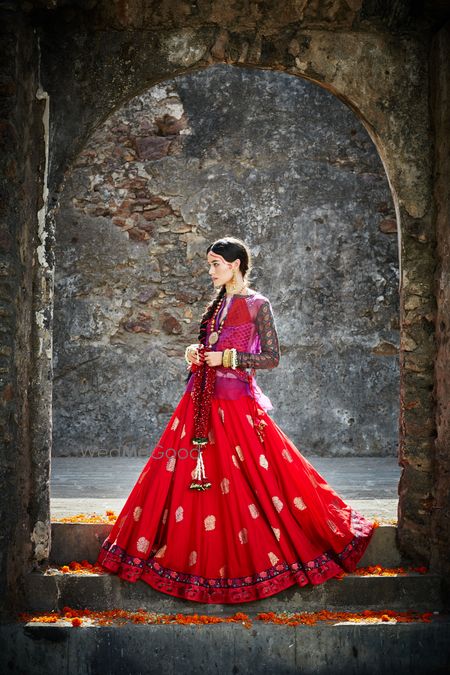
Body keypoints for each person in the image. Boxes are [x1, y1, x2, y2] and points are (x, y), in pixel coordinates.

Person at [96, 236, 375, 603]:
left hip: (235, 403)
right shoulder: (216, 305)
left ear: (236, 265)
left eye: (215, 264)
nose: (210, 271)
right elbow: (210, 349)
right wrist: (195, 352)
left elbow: (272, 357)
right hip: (200, 402)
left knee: (260, 478)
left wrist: (227, 359)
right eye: (210, 264)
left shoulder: (258, 304)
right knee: (182, 475)